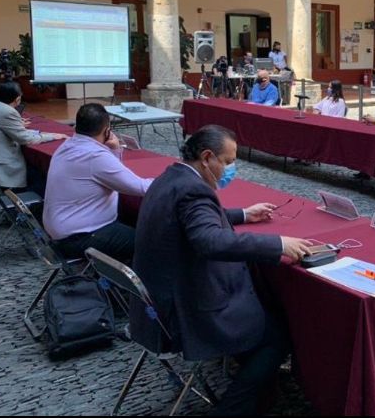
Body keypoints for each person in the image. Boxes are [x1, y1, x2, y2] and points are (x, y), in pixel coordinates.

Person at [129, 125, 312, 416]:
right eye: (227, 162)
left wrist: (242, 214)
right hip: (185, 309)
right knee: (277, 338)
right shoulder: (194, 190)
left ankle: (260, 390)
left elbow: (188, 221)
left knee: (263, 320)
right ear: (206, 157)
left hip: (156, 301)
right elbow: (209, 240)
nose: (231, 169)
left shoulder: (170, 177)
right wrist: (277, 244)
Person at [43, 103, 153, 262]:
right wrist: (173, 179)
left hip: (61, 229)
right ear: (107, 130)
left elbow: (111, 176)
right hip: (78, 237)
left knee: (129, 219)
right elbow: (140, 187)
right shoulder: (94, 155)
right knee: (151, 242)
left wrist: (114, 149)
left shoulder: (68, 145)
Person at [0, 81, 66, 189]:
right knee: (43, 177)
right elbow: (25, 139)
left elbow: (14, 131)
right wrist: (52, 136)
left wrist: (40, 133)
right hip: (2, 167)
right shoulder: (6, 112)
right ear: (17, 99)